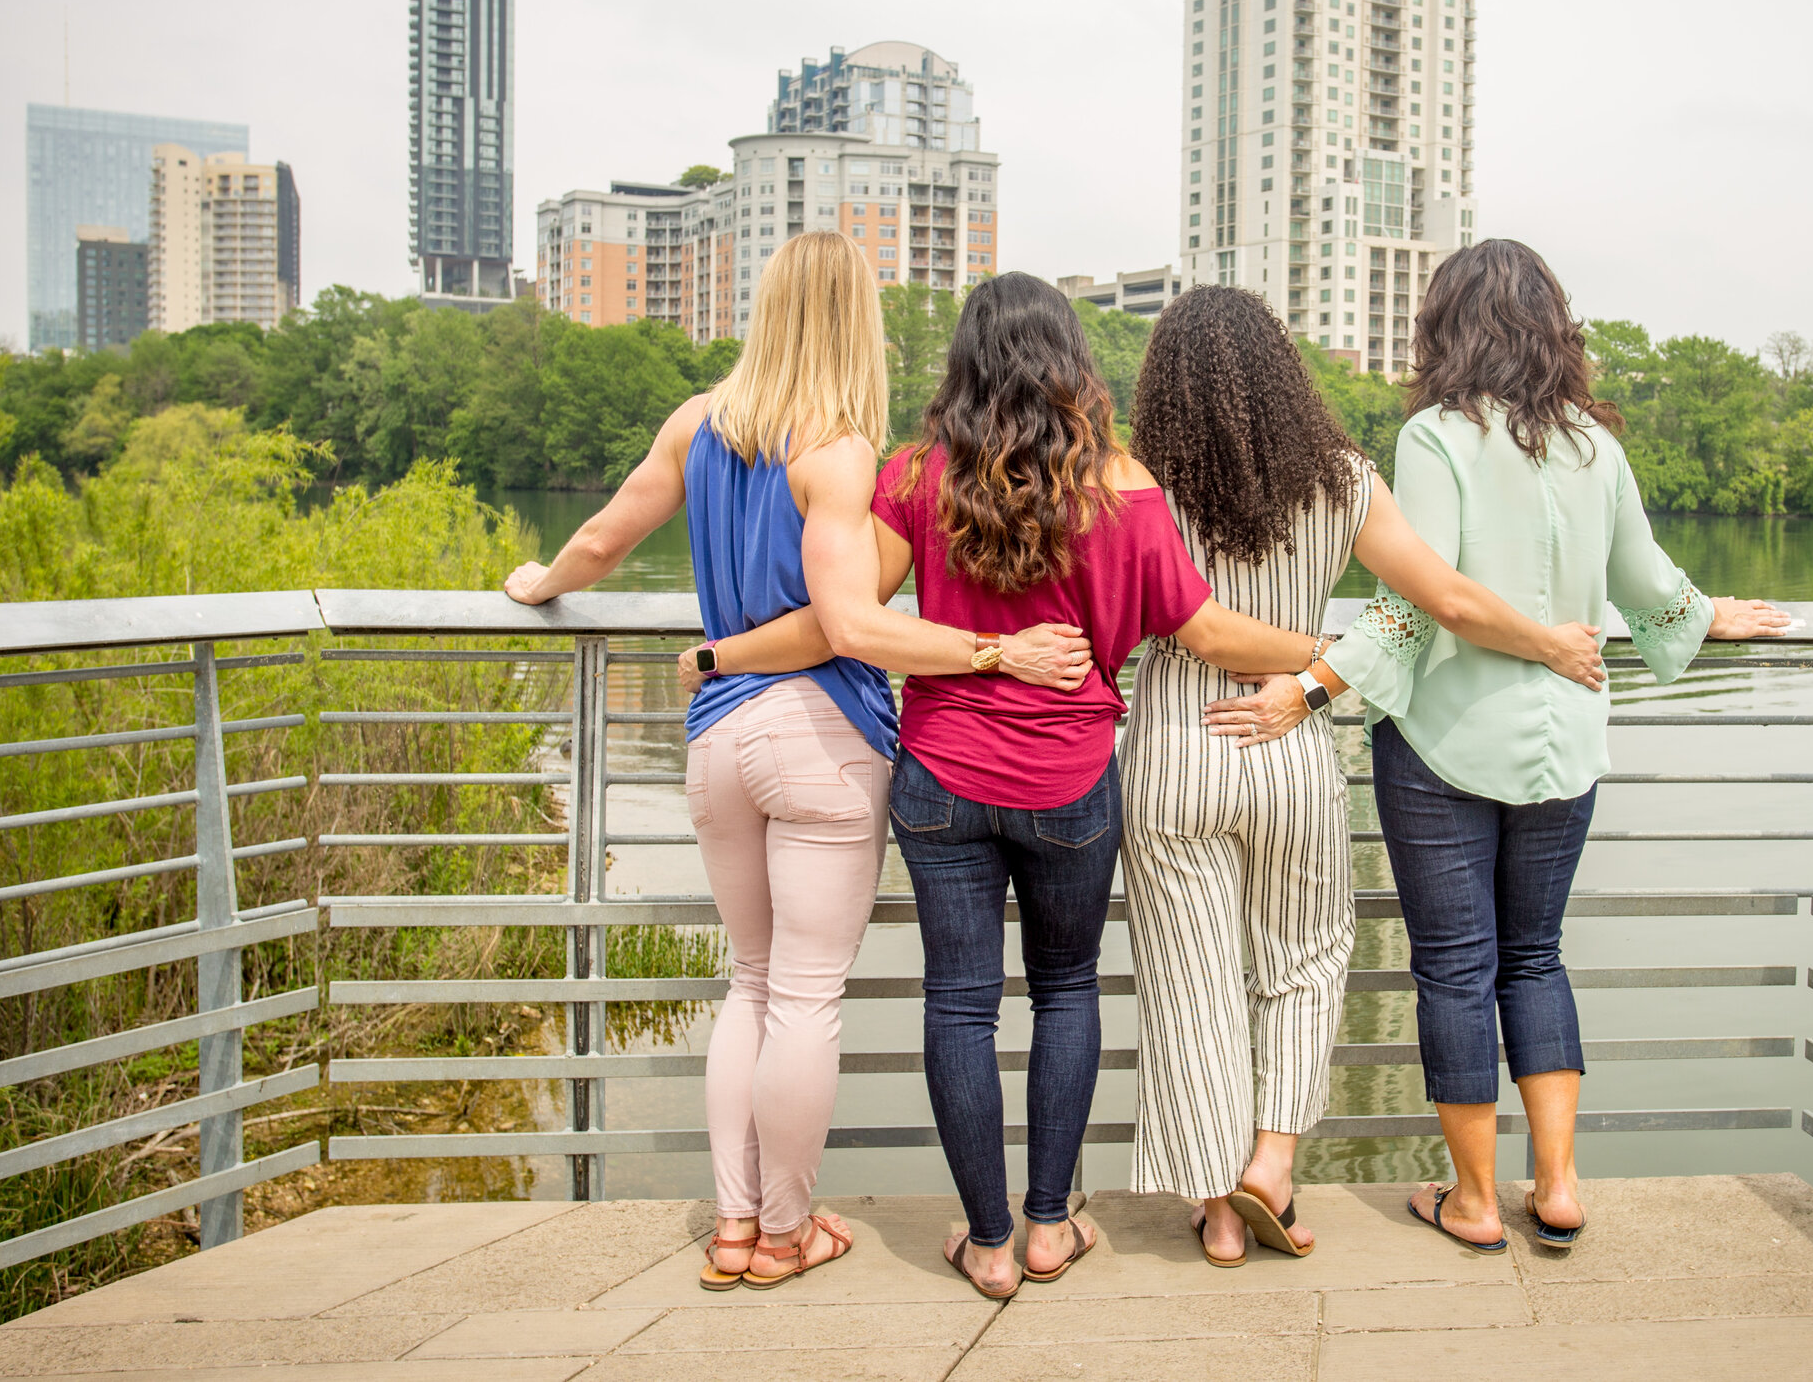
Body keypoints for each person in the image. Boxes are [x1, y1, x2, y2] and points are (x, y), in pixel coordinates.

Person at [503, 232, 1092, 1292]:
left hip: (718, 736)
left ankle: (733, 1224)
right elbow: (846, 625)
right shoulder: (838, 450)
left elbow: (598, 540)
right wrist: (993, 650)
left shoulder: (695, 422)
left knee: (752, 983)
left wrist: (536, 579)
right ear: (851, 322)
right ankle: (786, 1229)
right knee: (808, 996)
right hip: (815, 735)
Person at [1220, 240, 1787, 1252]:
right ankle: (1559, 1185)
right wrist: (1715, 615)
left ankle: (1476, 1199)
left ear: (1445, 325)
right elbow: (1648, 581)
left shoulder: (1434, 438)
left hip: (1443, 741)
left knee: (1454, 969)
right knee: (1536, 957)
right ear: (1551, 328)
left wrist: (1307, 688)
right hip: (1563, 738)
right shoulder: (1593, 447)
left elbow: (1416, 603)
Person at [801, 273, 1330, 1300]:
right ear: (1068, 358)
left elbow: (851, 610)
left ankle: (986, 1241)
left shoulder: (916, 472)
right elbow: (1208, 632)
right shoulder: (1120, 486)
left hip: (941, 777)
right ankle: (1051, 1226)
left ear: (964, 358)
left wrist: (975, 648)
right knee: (1066, 989)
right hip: (1069, 784)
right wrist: (1329, 651)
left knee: (958, 1002)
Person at [1116, 286, 1609, 1267]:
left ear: (1163, 379)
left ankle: (1217, 1211)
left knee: (1194, 981)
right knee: (1301, 961)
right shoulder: (1341, 477)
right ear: (1283, 374)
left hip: (1175, 742)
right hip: (1292, 741)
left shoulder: (1135, 482)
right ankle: (1272, 1164)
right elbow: (1446, 598)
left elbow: (1125, 617)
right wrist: (1548, 645)